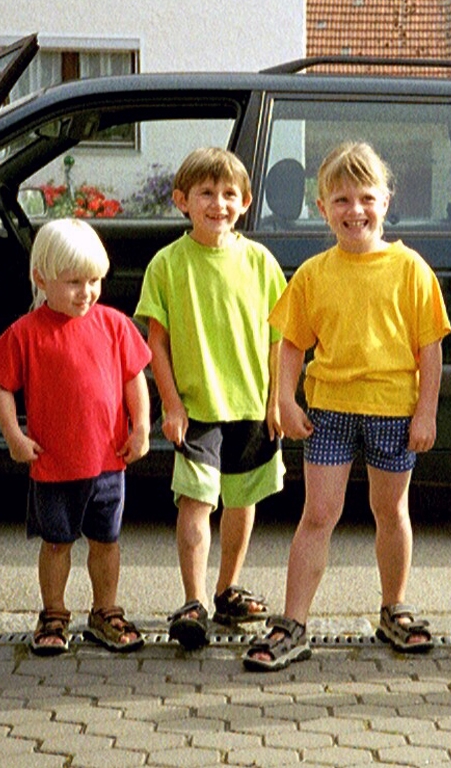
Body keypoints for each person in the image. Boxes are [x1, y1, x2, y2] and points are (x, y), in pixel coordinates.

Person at [242, 142, 451, 671]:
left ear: (385, 201)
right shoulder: (313, 273)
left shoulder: (410, 268)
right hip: (329, 411)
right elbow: (291, 344)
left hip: (392, 412)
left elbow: (431, 346)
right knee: (318, 514)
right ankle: (294, 623)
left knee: (391, 511)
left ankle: (394, 609)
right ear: (321, 208)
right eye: (341, 200)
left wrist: (426, 412)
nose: (354, 210)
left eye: (365, 198)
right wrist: (284, 399)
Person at [135, 147, 287, 651]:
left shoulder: (261, 262)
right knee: (197, 502)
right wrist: (171, 403)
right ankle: (193, 600)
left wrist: (276, 400)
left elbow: (278, 338)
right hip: (198, 409)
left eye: (228, 194)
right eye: (205, 193)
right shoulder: (168, 264)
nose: (217, 203)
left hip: (250, 406)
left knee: (242, 501)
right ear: (182, 200)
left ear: (244, 201)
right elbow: (156, 342)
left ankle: (227, 589)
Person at [0, 217, 152, 656]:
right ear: (41, 278)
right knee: (57, 544)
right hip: (54, 465)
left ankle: (105, 610)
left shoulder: (114, 325)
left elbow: (135, 379)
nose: (86, 292)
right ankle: (53, 613)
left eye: (94, 280)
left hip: (109, 462)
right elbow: (0, 386)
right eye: (74, 281)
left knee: (106, 541)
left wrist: (142, 427)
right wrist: (15, 437)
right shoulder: (26, 332)